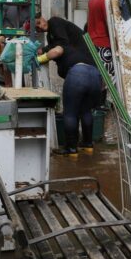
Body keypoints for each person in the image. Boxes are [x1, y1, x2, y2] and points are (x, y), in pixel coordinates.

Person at [35, 14, 102, 157]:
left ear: (42, 17)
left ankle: (71, 149)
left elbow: (57, 49)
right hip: (95, 74)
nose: (39, 27)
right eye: (36, 27)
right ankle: (88, 144)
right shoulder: (76, 48)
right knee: (85, 110)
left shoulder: (56, 24)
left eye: (38, 22)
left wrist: (40, 57)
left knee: (70, 112)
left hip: (78, 74)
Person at [87, 0, 116, 79]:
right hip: (103, 44)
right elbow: (109, 23)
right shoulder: (105, 0)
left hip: (92, 43)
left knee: (96, 76)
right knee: (108, 78)